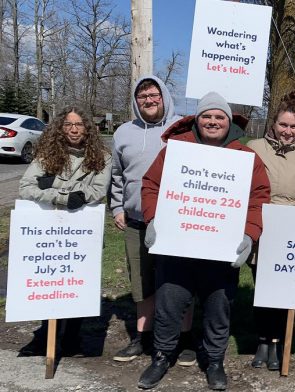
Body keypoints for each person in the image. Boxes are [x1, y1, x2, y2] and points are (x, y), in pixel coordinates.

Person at [137, 92, 271, 390]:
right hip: (177, 247)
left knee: (218, 307)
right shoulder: (176, 150)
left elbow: (258, 198)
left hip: (221, 250)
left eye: (219, 116)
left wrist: (249, 235)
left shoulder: (246, 157)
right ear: (197, 120)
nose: (212, 121)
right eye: (207, 116)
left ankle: (214, 360)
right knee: (169, 304)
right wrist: (153, 218)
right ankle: (161, 356)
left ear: (228, 121)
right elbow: (151, 185)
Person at [110, 75, 196, 365]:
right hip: (136, 220)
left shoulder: (183, 128)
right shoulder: (123, 132)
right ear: (136, 101)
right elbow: (117, 176)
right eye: (142, 96)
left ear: (164, 97)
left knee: (180, 282)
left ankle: (184, 341)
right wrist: (117, 207)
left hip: (176, 222)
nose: (148, 100)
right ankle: (142, 339)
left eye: (153, 94)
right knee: (142, 283)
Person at [17, 106, 111, 357]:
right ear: (60, 128)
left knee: (78, 282)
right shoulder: (47, 154)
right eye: (68, 125)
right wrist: (61, 196)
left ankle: (72, 338)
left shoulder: (102, 156)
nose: (73, 129)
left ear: (87, 127)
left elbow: (98, 190)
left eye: (78, 124)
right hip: (49, 231)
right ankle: (45, 336)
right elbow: (26, 186)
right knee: (51, 281)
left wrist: (55, 185)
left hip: (82, 230)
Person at [246, 90, 295, 371]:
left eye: (294, 126)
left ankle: (278, 341)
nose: (288, 131)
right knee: (261, 286)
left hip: (293, 227)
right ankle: (262, 340)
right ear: (273, 124)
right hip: (262, 223)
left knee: (282, 289)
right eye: (283, 125)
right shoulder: (254, 147)